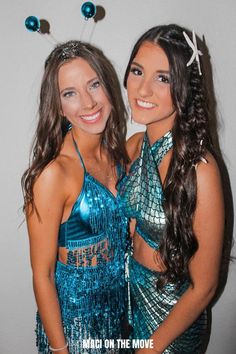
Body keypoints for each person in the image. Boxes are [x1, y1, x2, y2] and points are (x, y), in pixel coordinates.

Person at [118, 24, 224, 353]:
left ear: (184, 87)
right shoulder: (135, 145)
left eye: (162, 78)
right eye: (137, 71)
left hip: (171, 324)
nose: (143, 89)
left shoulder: (200, 170)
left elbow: (204, 288)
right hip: (130, 305)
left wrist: (150, 348)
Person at [22, 40, 130, 354]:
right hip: (75, 331)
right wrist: (60, 350)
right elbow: (42, 275)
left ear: (108, 86)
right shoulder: (54, 174)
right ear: (58, 107)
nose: (88, 103)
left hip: (120, 321)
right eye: (70, 93)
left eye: (94, 85)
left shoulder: (118, 155)